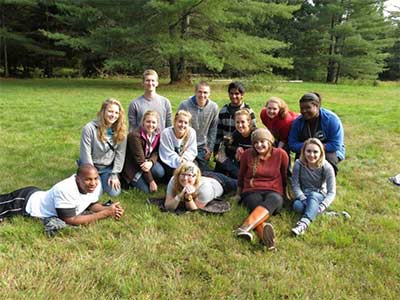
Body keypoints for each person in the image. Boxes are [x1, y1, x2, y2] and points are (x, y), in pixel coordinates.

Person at [0, 164, 124, 225]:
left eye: (96, 178)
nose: (93, 183)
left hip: (37, 194)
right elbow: (70, 220)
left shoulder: (94, 186)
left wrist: (109, 209)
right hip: (24, 203)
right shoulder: (65, 189)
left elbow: (91, 205)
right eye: (88, 179)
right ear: (77, 179)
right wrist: (104, 214)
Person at [235, 128, 288, 250]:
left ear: (270, 141)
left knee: (274, 200)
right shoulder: (247, 154)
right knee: (255, 203)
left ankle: (244, 228)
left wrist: (286, 194)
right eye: (256, 143)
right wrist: (238, 194)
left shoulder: (280, 154)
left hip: (274, 191)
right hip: (252, 190)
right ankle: (265, 237)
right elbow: (241, 175)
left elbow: (284, 175)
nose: (259, 145)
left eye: (262, 141)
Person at [79, 98, 127, 197]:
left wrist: (114, 174)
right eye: (110, 111)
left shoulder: (121, 131)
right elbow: (85, 153)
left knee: (115, 192)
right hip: (92, 165)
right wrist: (92, 175)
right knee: (95, 193)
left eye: (116, 113)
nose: (113, 115)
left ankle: (102, 179)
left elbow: (120, 155)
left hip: (107, 168)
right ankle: (82, 176)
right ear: (103, 111)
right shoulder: (89, 128)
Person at [288, 92, 345, 174]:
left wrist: (316, 147)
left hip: (330, 151)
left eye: (308, 108)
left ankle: (327, 183)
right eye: (302, 108)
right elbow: (292, 144)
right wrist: (308, 148)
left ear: (317, 106)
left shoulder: (331, 119)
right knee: (299, 164)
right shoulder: (297, 122)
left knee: (328, 162)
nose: (304, 111)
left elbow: (335, 145)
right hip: (305, 151)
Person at [291, 138, 336, 235]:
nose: (311, 155)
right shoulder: (298, 164)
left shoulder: (327, 167)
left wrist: (323, 205)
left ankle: (303, 224)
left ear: (321, 153)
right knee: (297, 206)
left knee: (313, 195)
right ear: (303, 151)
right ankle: (324, 213)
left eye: (315, 152)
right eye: (308, 151)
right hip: (304, 195)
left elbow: (331, 192)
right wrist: (302, 197)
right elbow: (295, 184)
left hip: (319, 195)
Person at [178, 81, 219, 171]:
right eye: (200, 92)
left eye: (205, 92)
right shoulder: (185, 105)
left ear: (209, 94)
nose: (202, 95)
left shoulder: (213, 107)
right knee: (187, 169)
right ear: (195, 92)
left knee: (203, 172)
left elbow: (213, 129)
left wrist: (210, 148)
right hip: (186, 145)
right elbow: (178, 126)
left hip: (202, 146)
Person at [121, 110, 165, 193]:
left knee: (160, 172)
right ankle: (129, 181)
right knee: (147, 190)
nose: (151, 125)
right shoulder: (135, 136)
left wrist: (151, 162)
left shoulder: (157, 134)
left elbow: (156, 152)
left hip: (146, 162)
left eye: (153, 122)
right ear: (143, 122)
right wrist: (151, 181)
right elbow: (140, 161)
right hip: (134, 166)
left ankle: (146, 177)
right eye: (148, 122)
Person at [164, 162, 236, 211]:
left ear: (196, 178)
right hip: (205, 175)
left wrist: (188, 197)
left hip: (221, 182)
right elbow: (168, 206)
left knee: (240, 182)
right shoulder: (174, 180)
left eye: (189, 175)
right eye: (183, 174)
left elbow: (195, 210)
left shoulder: (204, 189)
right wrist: (179, 196)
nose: (185, 178)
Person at [214, 82, 256, 157]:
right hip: (227, 146)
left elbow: (253, 132)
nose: (234, 96)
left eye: (237, 94)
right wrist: (216, 149)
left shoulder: (249, 111)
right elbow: (219, 132)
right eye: (231, 93)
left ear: (242, 95)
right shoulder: (223, 111)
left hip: (243, 147)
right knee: (222, 166)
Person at [216, 109, 256, 179]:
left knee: (226, 163)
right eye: (237, 122)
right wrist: (236, 150)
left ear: (249, 122)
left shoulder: (255, 134)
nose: (240, 125)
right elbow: (229, 148)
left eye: (243, 122)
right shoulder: (236, 134)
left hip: (254, 165)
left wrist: (246, 154)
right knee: (221, 159)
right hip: (241, 164)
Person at [159, 110, 198, 177]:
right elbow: (167, 152)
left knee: (194, 169)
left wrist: (185, 159)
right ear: (174, 122)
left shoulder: (191, 132)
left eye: (186, 123)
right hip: (169, 161)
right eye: (180, 121)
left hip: (185, 161)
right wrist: (179, 161)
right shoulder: (166, 133)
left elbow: (192, 150)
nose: (183, 125)